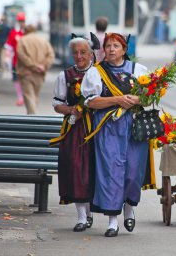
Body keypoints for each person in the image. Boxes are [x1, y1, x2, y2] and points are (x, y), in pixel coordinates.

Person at [81, 33, 149, 237]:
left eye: (116, 46)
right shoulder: (95, 72)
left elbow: (148, 98)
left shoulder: (139, 70)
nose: (111, 49)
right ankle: (112, 221)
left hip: (134, 127)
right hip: (108, 127)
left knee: (133, 172)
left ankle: (129, 206)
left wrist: (135, 100)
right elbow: (90, 102)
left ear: (124, 49)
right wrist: (118, 100)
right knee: (111, 172)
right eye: (108, 46)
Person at [51, 37, 95, 232]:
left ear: (91, 53)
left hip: (96, 128)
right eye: (75, 53)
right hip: (74, 130)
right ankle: (81, 217)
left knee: (94, 170)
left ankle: (90, 210)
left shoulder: (99, 74)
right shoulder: (65, 75)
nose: (79, 56)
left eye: (83, 52)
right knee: (76, 169)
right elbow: (57, 104)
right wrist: (70, 110)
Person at [17, 25, 55, 114]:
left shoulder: (22, 40)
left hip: (26, 73)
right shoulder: (43, 41)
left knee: (29, 97)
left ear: (26, 31)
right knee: (35, 96)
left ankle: (32, 118)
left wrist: (33, 66)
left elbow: (21, 56)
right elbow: (51, 55)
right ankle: (33, 116)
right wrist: (44, 66)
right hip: (40, 74)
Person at [5, 12, 26, 106]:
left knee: (25, 79)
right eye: (20, 20)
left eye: (23, 20)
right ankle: (20, 97)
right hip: (16, 60)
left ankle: (25, 96)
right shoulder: (14, 32)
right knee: (17, 79)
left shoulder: (27, 32)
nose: (21, 22)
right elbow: (9, 47)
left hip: (26, 61)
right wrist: (7, 58)